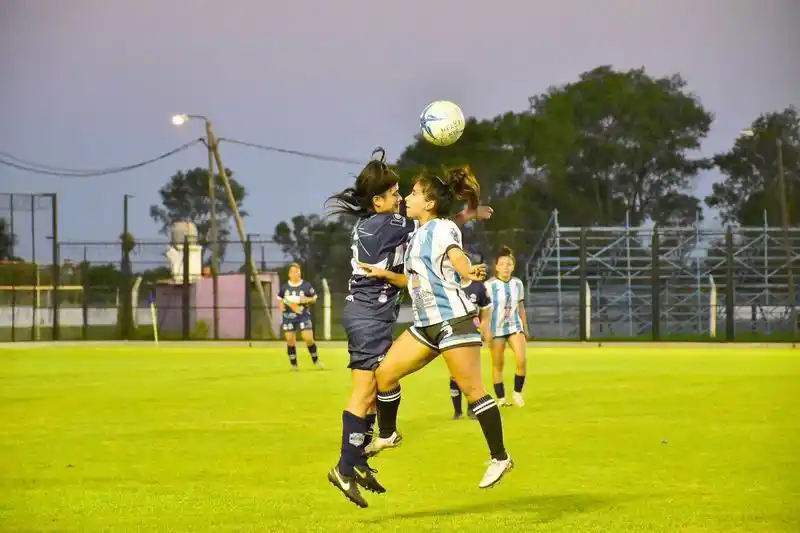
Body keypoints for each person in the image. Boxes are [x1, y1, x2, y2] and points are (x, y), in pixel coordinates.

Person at [325, 149, 493, 508]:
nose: (401, 198)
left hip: (372, 313)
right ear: (378, 201)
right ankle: (345, 465)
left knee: (375, 385)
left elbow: (430, 229)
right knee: (365, 389)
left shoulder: (380, 221)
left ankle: (356, 461)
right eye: (396, 193)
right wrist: (464, 213)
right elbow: (431, 221)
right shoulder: (388, 224)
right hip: (367, 315)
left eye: (404, 192)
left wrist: (465, 214)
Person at [361, 166, 513, 491]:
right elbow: (414, 279)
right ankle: (388, 435)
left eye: (415, 193)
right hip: (425, 325)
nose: (408, 198)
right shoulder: (417, 234)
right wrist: (384, 274)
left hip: (452, 321)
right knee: (384, 375)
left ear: (429, 203)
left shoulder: (442, 228)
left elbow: (457, 256)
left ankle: (500, 457)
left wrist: (468, 269)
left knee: (473, 392)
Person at [484, 246, 529, 406]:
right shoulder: (489, 285)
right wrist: (485, 330)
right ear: (496, 266)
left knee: (521, 360)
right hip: (496, 329)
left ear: (513, 266)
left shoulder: (517, 284)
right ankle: (502, 399)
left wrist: (525, 327)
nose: (505, 267)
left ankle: (517, 394)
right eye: (502, 264)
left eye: (508, 264)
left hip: (514, 326)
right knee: (498, 364)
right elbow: (485, 311)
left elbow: (521, 306)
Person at [449, 271, 492, 420]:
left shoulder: (478, 287)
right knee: (454, 374)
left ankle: (471, 409)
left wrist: (484, 329)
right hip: (452, 333)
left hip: (472, 333)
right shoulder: (449, 285)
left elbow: (486, 310)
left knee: (471, 372)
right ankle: (457, 411)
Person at [277, 263, 323, 370]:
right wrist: (282, 306)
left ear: (300, 273)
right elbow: (280, 300)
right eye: (293, 272)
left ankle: (316, 361)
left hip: (303, 315)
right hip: (289, 316)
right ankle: (294, 365)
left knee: (308, 338)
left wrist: (306, 300)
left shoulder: (306, 285)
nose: (295, 274)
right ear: (289, 274)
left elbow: (314, 298)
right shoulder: (284, 287)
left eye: (297, 272)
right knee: (290, 339)